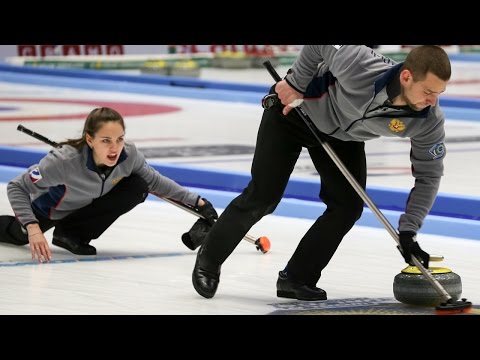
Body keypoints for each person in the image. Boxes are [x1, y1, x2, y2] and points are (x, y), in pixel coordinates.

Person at [192, 45, 451, 300]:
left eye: (438, 93)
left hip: (343, 137)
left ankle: (296, 278)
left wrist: (408, 231)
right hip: (294, 110)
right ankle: (209, 259)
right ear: (406, 77)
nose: (432, 100)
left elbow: (428, 175)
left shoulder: (429, 120)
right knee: (264, 196)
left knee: (348, 207)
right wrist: (295, 83)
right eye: (428, 91)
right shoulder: (359, 63)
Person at [0, 107, 218, 263]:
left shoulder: (129, 155)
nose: (115, 148)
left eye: (119, 139)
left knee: (138, 185)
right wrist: (32, 227)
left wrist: (196, 201)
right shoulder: (63, 162)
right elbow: (16, 187)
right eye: (106, 140)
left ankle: (71, 235)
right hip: (50, 210)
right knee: (18, 237)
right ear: (89, 140)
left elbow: (155, 181)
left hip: (87, 206)